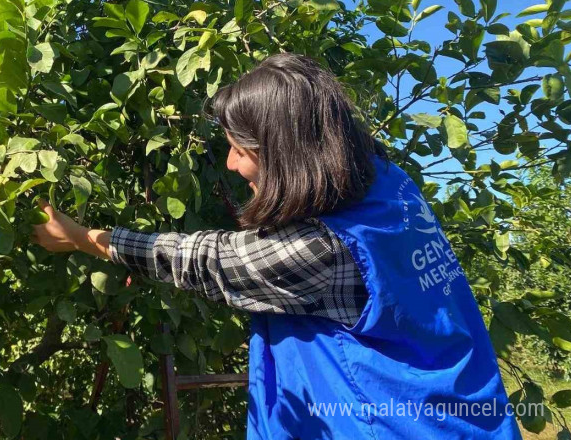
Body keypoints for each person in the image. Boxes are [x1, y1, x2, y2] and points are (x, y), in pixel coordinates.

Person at [29, 53, 521, 439]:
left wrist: (81, 238)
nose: (229, 164)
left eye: (239, 149)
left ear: (285, 154)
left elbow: (210, 262)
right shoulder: (389, 185)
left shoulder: (324, 250)